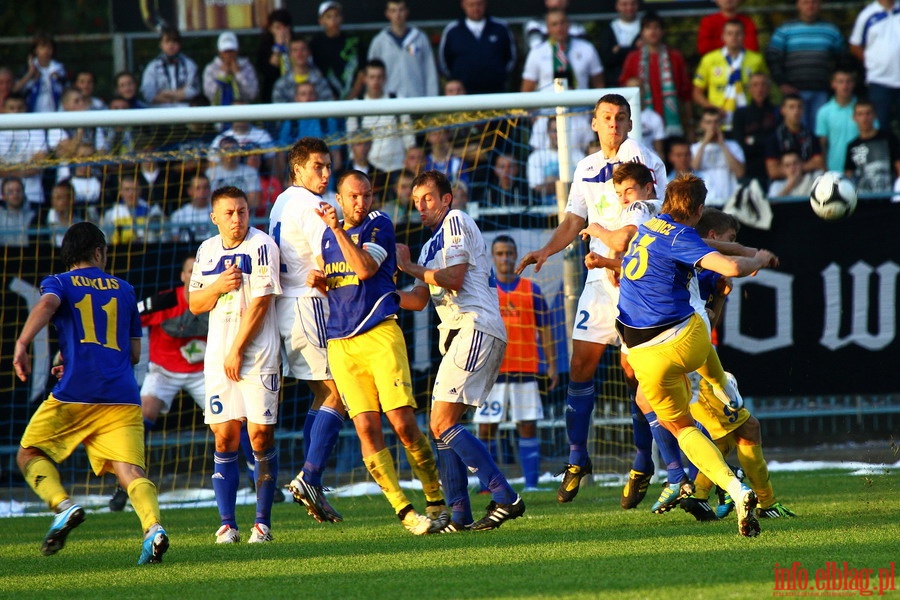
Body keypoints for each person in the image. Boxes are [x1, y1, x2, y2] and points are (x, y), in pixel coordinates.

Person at [516, 94, 666, 504]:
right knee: (580, 364)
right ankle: (577, 458)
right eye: (606, 118)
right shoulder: (584, 168)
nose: (614, 124)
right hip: (600, 281)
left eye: (621, 118)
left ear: (630, 124)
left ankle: (641, 462)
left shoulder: (642, 159)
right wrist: (546, 251)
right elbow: (573, 220)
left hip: (636, 282)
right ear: (594, 124)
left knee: (638, 376)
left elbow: (658, 215)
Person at [616, 173, 777, 537]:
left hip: (643, 354)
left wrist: (749, 251)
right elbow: (731, 267)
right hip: (688, 341)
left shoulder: (647, 227)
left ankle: (736, 490)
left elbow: (708, 245)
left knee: (681, 427)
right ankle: (723, 385)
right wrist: (759, 261)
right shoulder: (681, 236)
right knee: (695, 312)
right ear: (699, 209)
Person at [12, 222, 169, 563]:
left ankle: (63, 506)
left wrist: (23, 343)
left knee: (28, 452)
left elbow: (46, 306)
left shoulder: (58, 282)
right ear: (98, 252)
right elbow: (135, 354)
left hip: (76, 392)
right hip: (123, 395)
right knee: (130, 472)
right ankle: (153, 528)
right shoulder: (125, 289)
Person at [310, 169, 448, 534]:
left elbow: (367, 269)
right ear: (339, 199)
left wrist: (339, 229)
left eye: (366, 194)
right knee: (367, 428)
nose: (361, 202)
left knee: (403, 424)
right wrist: (322, 284)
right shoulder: (326, 237)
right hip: (341, 343)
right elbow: (345, 287)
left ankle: (435, 499)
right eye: (353, 196)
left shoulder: (378, 223)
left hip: (380, 335)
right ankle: (405, 511)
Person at [397, 170, 525, 532]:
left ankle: (505, 497)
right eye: (416, 201)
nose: (421, 206)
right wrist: (376, 296)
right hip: (462, 335)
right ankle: (460, 515)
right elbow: (419, 300)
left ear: (446, 199)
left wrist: (408, 267)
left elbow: (452, 278)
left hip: (476, 327)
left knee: (442, 423)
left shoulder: (456, 221)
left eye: (428, 198)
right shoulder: (427, 247)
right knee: (442, 427)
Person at [681, 207, 796, 522]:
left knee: (723, 437)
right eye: (731, 239)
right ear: (714, 237)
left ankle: (699, 494)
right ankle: (767, 503)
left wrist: (719, 297)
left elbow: (708, 325)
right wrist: (753, 259)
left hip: (697, 358)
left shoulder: (705, 277)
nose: (734, 244)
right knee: (748, 427)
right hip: (690, 366)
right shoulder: (700, 268)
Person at [189, 185, 282, 544]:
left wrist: (237, 349)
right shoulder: (207, 250)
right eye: (229, 213)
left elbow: (261, 302)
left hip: (256, 355)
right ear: (214, 217)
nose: (237, 219)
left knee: (260, 436)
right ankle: (228, 524)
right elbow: (196, 303)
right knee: (225, 436)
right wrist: (217, 286)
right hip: (218, 358)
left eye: (242, 211)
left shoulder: (262, 246)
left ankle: (263, 523)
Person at [268, 137, 345, 524]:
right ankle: (310, 476)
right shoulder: (312, 205)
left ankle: (312, 477)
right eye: (318, 166)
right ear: (297, 168)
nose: (326, 173)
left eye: (329, 166)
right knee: (340, 392)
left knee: (321, 395)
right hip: (309, 304)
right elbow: (328, 263)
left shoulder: (281, 201)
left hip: (289, 307)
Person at [474, 235, 557, 492]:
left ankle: (531, 484)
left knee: (528, 425)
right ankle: (486, 484)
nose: (505, 258)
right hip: (492, 370)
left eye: (509, 253)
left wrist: (551, 364)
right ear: (493, 257)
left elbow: (545, 329)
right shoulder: (485, 290)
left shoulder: (532, 290)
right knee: (486, 428)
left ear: (515, 255)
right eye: (499, 253)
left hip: (526, 370)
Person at [765, 0, 845, 131]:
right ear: (798, 5)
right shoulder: (785, 29)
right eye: (806, 2)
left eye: (814, 2)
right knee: (795, 130)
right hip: (794, 92)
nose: (810, 5)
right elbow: (773, 57)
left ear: (820, 4)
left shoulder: (831, 30)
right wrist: (781, 82)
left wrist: (835, 84)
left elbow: (842, 59)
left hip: (822, 91)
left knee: (820, 132)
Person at [619, 12, 694, 138]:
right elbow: (625, 92)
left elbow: (685, 93)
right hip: (645, 126)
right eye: (648, 28)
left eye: (657, 28)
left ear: (663, 31)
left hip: (672, 124)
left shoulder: (675, 57)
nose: (653, 32)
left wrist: (690, 125)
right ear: (642, 32)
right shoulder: (633, 58)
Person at [692, 19, 769, 131]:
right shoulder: (709, 60)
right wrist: (713, 108)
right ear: (723, 36)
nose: (734, 37)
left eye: (738, 33)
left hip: (748, 121)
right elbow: (697, 92)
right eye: (729, 33)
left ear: (744, 36)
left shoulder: (756, 60)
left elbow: (766, 87)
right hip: (719, 121)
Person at [346, 59, 415, 177]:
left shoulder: (397, 101)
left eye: (379, 77)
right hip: (368, 172)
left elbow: (409, 140)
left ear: (385, 78)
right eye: (372, 77)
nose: (376, 81)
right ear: (365, 79)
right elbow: (351, 144)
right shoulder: (356, 105)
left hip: (397, 168)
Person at [438, 0, 517, 95]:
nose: (476, 9)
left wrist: (500, 75)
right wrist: (454, 80)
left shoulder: (501, 28)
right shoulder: (452, 30)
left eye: (479, 4)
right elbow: (444, 61)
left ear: (485, 4)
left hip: (495, 91)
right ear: (463, 5)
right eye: (471, 5)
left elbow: (511, 57)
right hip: (463, 94)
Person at [520, 9, 604, 93]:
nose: (559, 28)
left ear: (569, 24)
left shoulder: (587, 48)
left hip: (580, 103)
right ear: (548, 28)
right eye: (554, 24)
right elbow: (527, 89)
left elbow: (599, 84)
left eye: (562, 23)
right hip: (549, 104)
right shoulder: (537, 52)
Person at [367, 0, 439, 98]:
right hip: (387, 102)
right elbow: (371, 73)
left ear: (406, 12)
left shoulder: (420, 38)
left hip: (416, 100)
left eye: (401, 10)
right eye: (393, 10)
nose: (397, 14)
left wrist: (431, 99)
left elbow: (430, 71)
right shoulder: (379, 41)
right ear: (387, 14)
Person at [849, 0, 900, 137]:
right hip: (879, 81)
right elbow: (855, 45)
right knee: (880, 127)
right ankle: (884, 158)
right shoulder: (867, 15)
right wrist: (872, 62)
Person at [310, 1, 366, 100]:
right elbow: (315, 73)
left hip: (355, 98)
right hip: (326, 99)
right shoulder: (315, 45)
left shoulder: (354, 41)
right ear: (321, 21)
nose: (333, 20)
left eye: (336, 15)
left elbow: (362, 71)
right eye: (328, 16)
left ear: (341, 18)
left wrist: (352, 95)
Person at [732, 73, 780, 186]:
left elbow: (778, 141)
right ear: (749, 89)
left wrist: (753, 140)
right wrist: (765, 141)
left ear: (768, 88)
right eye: (755, 85)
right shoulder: (740, 114)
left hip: (774, 167)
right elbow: (740, 143)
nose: (760, 89)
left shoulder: (777, 112)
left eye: (763, 85)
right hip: (749, 168)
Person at [691, 108, 745, 207]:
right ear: (701, 124)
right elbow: (693, 170)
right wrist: (705, 143)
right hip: (705, 203)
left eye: (716, 122)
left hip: (729, 201)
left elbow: (740, 172)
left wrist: (722, 144)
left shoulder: (733, 146)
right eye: (708, 122)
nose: (712, 126)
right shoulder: (694, 148)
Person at [844, 99, 900, 195]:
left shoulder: (889, 138)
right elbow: (848, 175)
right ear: (854, 118)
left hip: (889, 197)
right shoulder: (852, 146)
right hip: (862, 200)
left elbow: (898, 164)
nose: (864, 118)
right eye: (860, 114)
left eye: (868, 113)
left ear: (874, 115)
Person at [526, 117, 586, 206]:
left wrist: (553, 181)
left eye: (562, 131)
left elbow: (584, 188)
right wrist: (569, 183)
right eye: (554, 131)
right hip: (545, 214)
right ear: (548, 132)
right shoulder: (535, 158)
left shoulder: (579, 156)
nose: (558, 135)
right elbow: (536, 189)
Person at [764, 94, 824, 181]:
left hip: (807, 181)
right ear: (783, 110)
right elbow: (773, 171)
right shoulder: (774, 138)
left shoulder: (810, 136)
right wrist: (804, 166)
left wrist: (791, 169)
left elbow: (819, 163)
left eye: (799, 107)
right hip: (784, 183)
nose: (796, 111)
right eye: (791, 107)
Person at [140, 26, 200, 108]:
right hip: (159, 112)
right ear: (161, 44)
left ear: (179, 44)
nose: (171, 46)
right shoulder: (152, 67)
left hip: (184, 111)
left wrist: (164, 93)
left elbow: (193, 91)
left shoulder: (189, 65)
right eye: (167, 42)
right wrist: (179, 93)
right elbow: (148, 94)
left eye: (174, 42)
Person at [815, 68, 861, 174]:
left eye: (848, 81)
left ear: (853, 84)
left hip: (859, 170)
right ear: (833, 84)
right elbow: (822, 144)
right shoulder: (824, 112)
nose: (845, 86)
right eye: (840, 82)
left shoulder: (863, 110)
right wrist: (825, 169)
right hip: (834, 169)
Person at [102, 177, 165, 245]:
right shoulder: (111, 214)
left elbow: (162, 236)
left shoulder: (152, 211)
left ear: (140, 190)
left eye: (134, 189)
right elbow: (106, 239)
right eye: (127, 189)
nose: (131, 193)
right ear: (121, 192)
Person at [271, 37, 334, 105]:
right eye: (295, 50)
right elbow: (279, 110)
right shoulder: (281, 84)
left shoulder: (320, 81)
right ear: (290, 55)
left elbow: (328, 105)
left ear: (309, 52)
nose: (299, 54)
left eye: (303, 49)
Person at [13, 33, 66, 113]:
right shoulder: (27, 68)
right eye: (42, 47)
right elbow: (15, 89)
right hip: (32, 112)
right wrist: (30, 74)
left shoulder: (59, 68)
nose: (46, 51)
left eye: (49, 48)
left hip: (55, 112)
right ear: (36, 50)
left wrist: (57, 79)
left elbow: (67, 89)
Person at [202, 32, 259, 106]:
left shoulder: (246, 67)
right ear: (220, 52)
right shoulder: (211, 69)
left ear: (237, 50)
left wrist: (239, 74)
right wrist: (222, 75)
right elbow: (209, 96)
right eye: (226, 51)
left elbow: (252, 94)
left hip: (242, 110)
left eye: (231, 51)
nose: (229, 54)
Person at [206, 136, 262, 210]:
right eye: (227, 149)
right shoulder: (210, 173)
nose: (230, 153)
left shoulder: (250, 172)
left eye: (233, 149)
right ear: (219, 152)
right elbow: (209, 200)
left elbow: (254, 202)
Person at [597, 0, 641, 89]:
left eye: (632, 4)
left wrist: (619, 51)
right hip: (615, 86)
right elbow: (606, 59)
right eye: (624, 4)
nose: (629, 8)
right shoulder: (608, 30)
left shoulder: (646, 28)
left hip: (641, 85)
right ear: (617, 6)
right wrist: (634, 48)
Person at [255, 8, 293, 104]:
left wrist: (288, 47)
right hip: (270, 92)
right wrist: (278, 47)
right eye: (278, 28)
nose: (282, 31)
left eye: (284, 27)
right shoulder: (265, 47)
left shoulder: (297, 44)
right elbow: (268, 71)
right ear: (271, 29)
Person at [170, 174, 215, 243]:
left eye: (205, 188)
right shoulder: (179, 215)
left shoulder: (218, 212)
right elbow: (175, 242)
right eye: (198, 188)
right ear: (190, 191)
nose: (202, 192)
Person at [0, 176, 34, 247]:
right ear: (3, 196)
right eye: (10, 192)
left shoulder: (33, 217)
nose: (15, 194)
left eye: (18, 191)